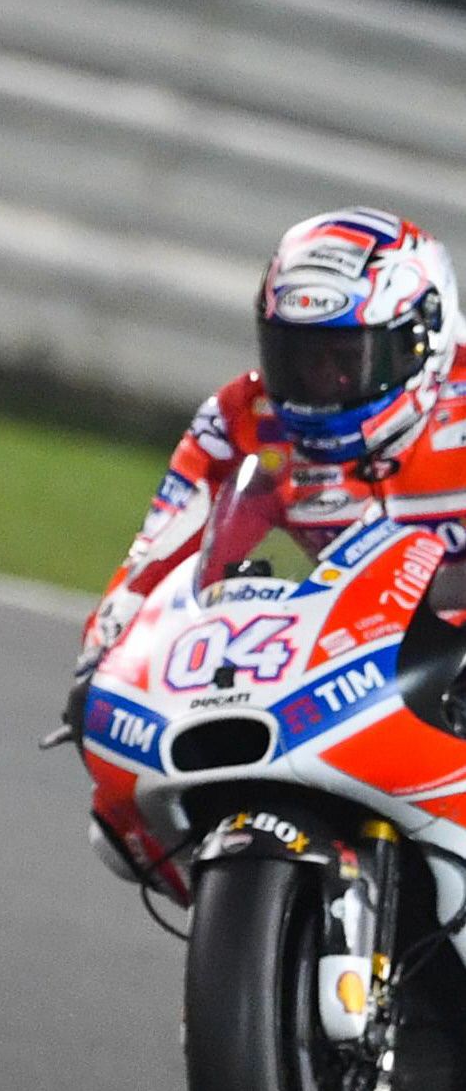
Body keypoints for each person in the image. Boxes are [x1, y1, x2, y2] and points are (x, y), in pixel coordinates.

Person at [71, 206, 466, 717]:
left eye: (349, 359)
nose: (322, 382)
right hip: (342, 683)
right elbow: (152, 562)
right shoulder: (242, 419)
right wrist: (99, 663)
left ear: (421, 339)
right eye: (299, 357)